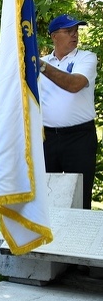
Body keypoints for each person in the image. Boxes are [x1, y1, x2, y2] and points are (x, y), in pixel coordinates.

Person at [40, 14, 98, 209]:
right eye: (68, 31)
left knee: (80, 199)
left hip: (79, 138)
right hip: (46, 137)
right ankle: (48, 238)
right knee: (45, 195)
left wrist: (41, 67)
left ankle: (79, 238)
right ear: (54, 36)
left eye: (76, 30)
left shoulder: (86, 57)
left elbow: (75, 84)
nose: (74, 35)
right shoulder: (41, 62)